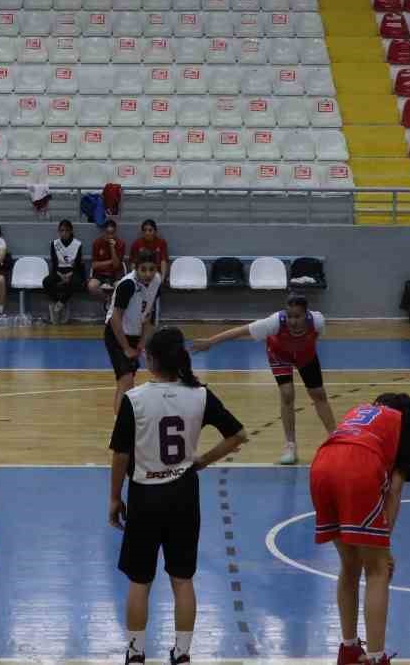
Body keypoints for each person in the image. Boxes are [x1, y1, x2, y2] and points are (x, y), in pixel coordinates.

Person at [109, 328, 247, 665]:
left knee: (140, 580)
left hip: (145, 494)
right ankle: (182, 653)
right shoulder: (199, 394)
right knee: (182, 579)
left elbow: (120, 455)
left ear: (151, 359)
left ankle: (136, 652)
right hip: (184, 492)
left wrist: (115, 497)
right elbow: (238, 434)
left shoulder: (135, 399)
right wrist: (202, 460)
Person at [311, 394, 410, 665]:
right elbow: (394, 491)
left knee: (349, 564)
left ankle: (348, 650)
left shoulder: (362, 413)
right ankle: (375, 658)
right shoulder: (402, 426)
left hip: (322, 465)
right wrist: (384, 547)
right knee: (378, 570)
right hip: (357, 465)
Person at [192, 294, 336, 465]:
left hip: (306, 356)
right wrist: (210, 342)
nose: (293, 321)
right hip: (279, 356)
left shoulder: (318, 321)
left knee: (318, 394)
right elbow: (240, 331)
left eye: (297, 316)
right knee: (287, 394)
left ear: (307, 314)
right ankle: (290, 445)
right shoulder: (274, 322)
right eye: (290, 316)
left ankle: (336, 438)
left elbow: (315, 337)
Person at [105, 251, 162, 415]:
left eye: (152, 269)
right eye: (143, 269)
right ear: (135, 268)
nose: (148, 274)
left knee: (126, 382)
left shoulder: (157, 281)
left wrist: (141, 344)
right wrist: (125, 347)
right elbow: (115, 318)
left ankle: (122, 424)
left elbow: (149, 316)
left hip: (135, 334)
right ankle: (119, 430)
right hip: (116, 334)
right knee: (126, 381)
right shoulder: (128, 285)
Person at [41, 219, 86, 324]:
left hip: (72, 271)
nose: (64, 233)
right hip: (58, 271)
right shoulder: (55, 244)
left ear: (71, 231)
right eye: (61, 231)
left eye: (66, 230)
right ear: (58, 231)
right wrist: (60, 275)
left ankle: (60, 304)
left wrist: (70, 274)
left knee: (76, 282)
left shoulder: (77, 244)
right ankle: (59, 302)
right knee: (46, 282)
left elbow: (78, 263)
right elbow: (54, 261)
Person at [86, 219, 127, 306]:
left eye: (112, 233)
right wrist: (110, 261)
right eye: (107, 233)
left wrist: (112, 248)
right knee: (91, 286)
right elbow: (94, 265)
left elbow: (116, 265)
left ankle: (112, 301)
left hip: (115, 273)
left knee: (120, 287)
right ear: (103, 232)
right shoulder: (97, 243)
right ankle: (108, 298)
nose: (110, 236)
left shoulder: (120, 243)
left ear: (115, 232)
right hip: (100, 274)